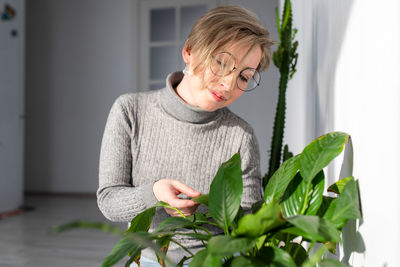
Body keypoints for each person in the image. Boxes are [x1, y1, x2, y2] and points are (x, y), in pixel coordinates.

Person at [97, 5, 273, 266]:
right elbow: (109, 200)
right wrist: (154, 194)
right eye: (222, 63)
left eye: (244, 77)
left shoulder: (240, 136)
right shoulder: (130, 111)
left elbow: (247, 222)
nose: (228, 84)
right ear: (189, 51)